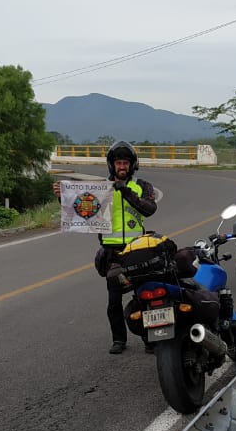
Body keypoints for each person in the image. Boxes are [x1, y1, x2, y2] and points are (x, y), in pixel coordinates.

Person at [54, 141, 158, 354]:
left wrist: (126, 191)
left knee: (144, 296)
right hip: (113, 252)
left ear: (132, 165)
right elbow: (81, 209)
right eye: (118, 163)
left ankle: (149, 339)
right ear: (112, 165)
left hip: (137, 249)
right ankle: (119, 339)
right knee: (114, 300)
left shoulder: (142, 185)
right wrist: (62, 197)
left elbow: (149, 209)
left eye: (125, 163)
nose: (122, 167)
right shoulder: (100, 189)